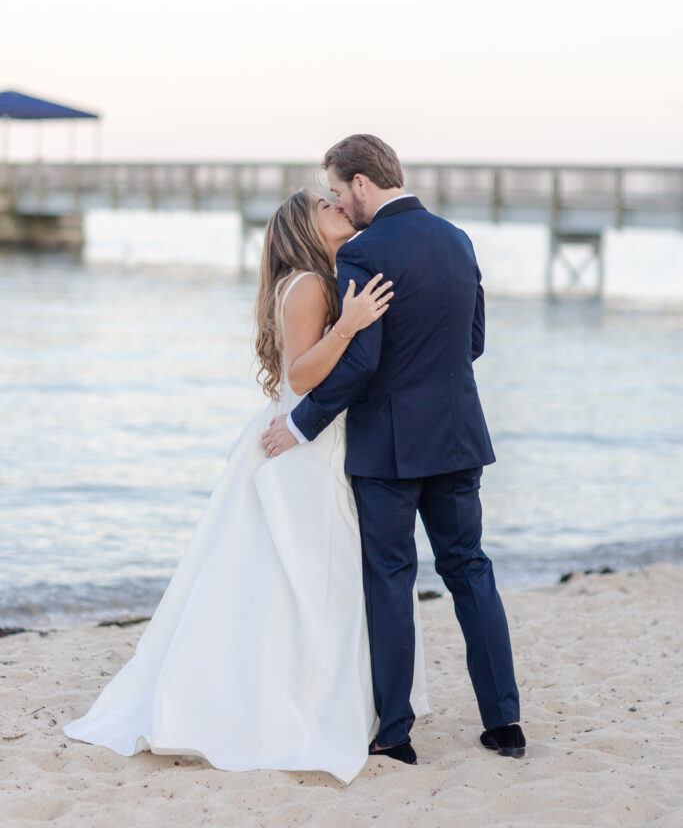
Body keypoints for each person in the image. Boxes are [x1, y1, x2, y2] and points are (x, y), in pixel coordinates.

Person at [63, 189, 429, 785]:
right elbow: (301, 374)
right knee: (308, 575)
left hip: (310, 439)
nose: (337, 205)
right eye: (323, 204)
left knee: (296, 575)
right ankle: (298, 701)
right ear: (302, 228)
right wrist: (351, 325)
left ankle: (318, 695)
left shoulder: (317, 278)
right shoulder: (311, 283)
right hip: (301, 445)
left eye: (336, 198)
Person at [262, 134, 526, 763]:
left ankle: (396, 733)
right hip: (459, 434)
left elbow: (359, 363)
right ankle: (506, 726)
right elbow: (474, 341)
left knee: (390, 580)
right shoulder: (456, 238)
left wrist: (301, 424)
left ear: (359, 183)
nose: (338, 204)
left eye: (337, 189)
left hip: (389, 447)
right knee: (470, 571)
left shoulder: (366, 250)